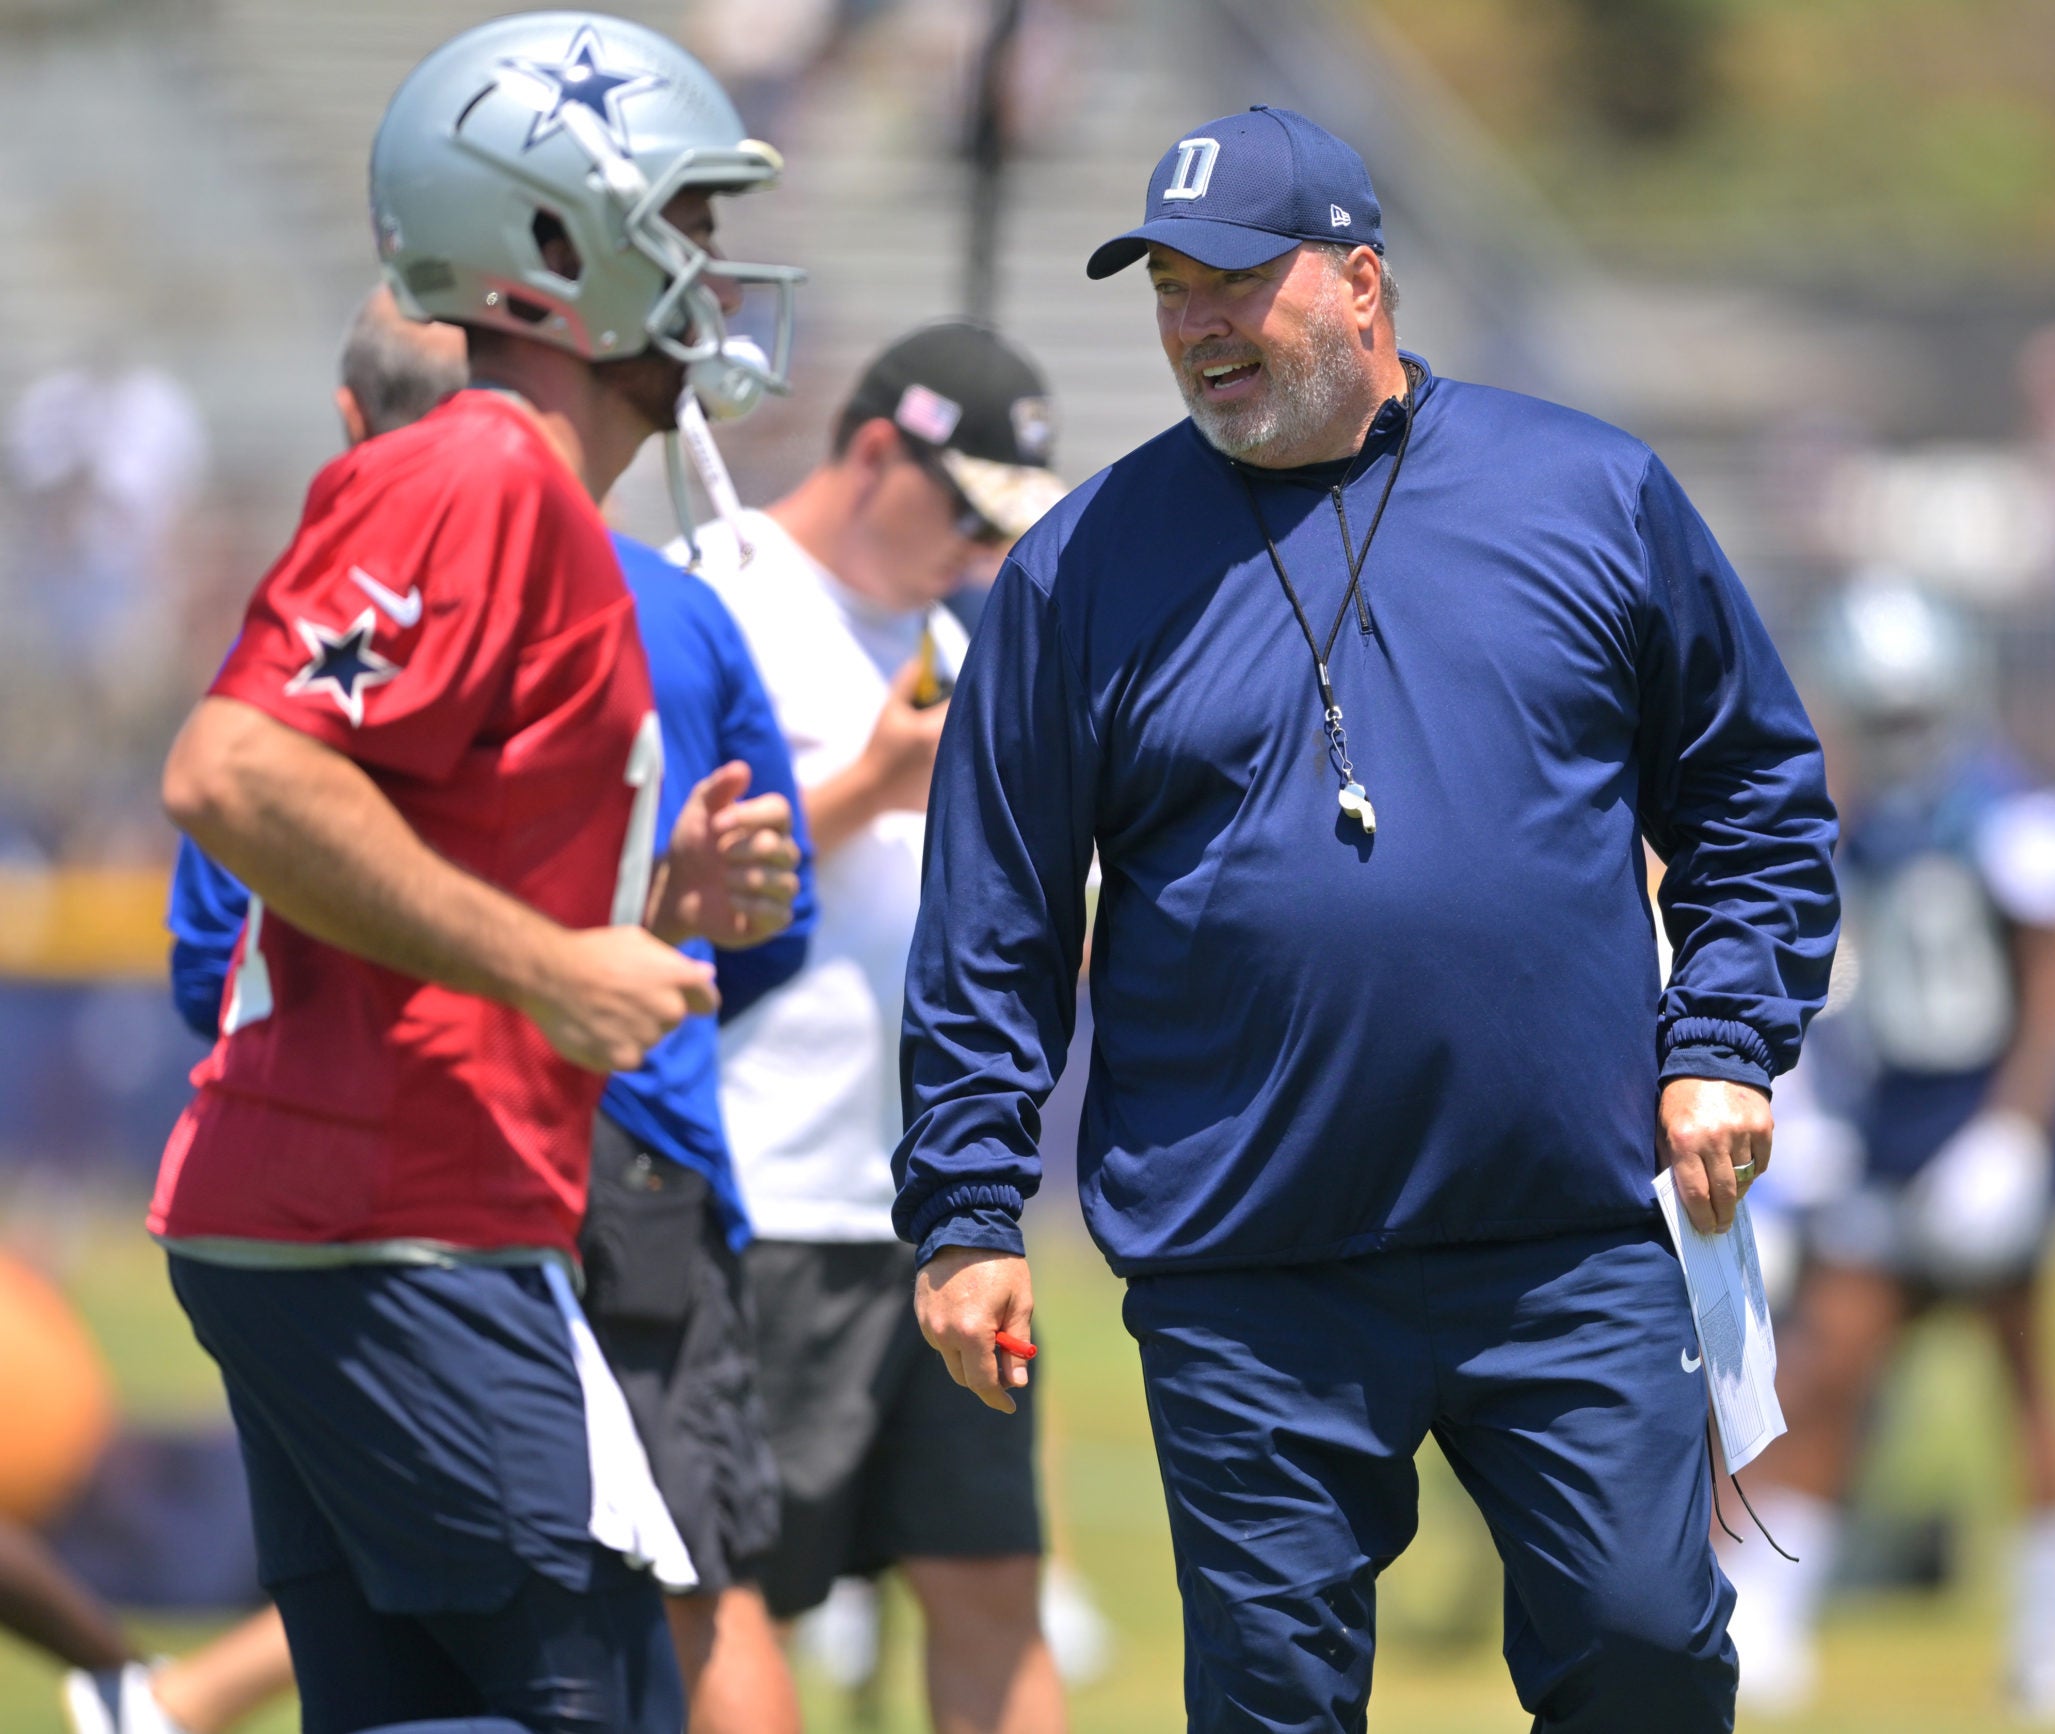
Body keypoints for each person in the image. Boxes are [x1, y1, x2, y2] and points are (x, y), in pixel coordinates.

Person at [896, 105, 1839, 1731]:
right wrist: (969, 1206)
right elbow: (993, 918)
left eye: (1234, 281)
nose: (1197, 324)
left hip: (1565, 1229)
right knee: (1274, 1702)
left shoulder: (1590, 492)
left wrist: (1725, 1039)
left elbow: (1753, 794)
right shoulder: (1078, 569)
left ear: (1360, 279)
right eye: (1170, 288)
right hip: (1246, 1258)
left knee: (1649, 1651)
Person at [146, 16, 806, 1733]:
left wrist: (646, 912)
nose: (713, 268)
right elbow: (234, 770)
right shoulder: (485, 467)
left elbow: (411, 874)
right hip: (395, 1216)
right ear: (552, 244)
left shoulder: (519, 495)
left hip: (362, 1211)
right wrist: (552, 964)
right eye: (685, 222)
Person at [678, 318, 1071, 1734]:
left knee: (992, 1581)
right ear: (871, 452)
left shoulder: (960, 628)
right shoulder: (716, 593)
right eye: (961, 509)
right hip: (764, 1188)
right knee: (730, 1594)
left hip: (947, 1202)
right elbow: (659, 880)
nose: (978, 547)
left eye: (999, 524)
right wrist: (872, 781)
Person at [1721, 574, 2055, 1724]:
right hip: (1888, 1137)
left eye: (1912, 712)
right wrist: (1814, 1117)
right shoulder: (1850, 824)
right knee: (1823, 1369)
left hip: (1984, 1131)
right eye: (1880, 715)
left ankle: (2051, 1634)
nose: (1900, 736)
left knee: (2024, 1373)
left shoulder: (2014, 820)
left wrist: (2012, 1132)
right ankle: (1771, 1616)